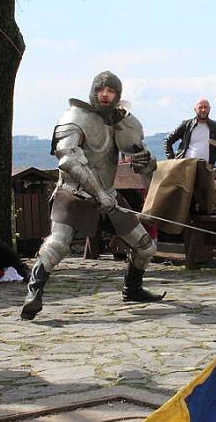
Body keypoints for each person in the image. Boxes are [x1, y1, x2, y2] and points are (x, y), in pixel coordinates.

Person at [20, 71, 164, 320]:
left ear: (118, 95)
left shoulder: (121, 122)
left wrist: (145, 160)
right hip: (73, 194)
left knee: (145, 248)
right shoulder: (75, 117)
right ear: (93, 92)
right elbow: (68, 158)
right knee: (57, 245)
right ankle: (33, 293)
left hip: (109, 195)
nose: (106, 95)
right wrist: (98, 193)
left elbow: (143, 161)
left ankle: (132, 288)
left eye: (111, 91)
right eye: (101, 90)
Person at [163, 97, 216, 166]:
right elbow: (167, 141)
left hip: (206, 168)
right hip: (185, 167)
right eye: (200, 107)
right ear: (195, 109)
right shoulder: (186, 125)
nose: (203, 110)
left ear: (209, 109)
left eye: (205, 107)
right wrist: (172, 161)